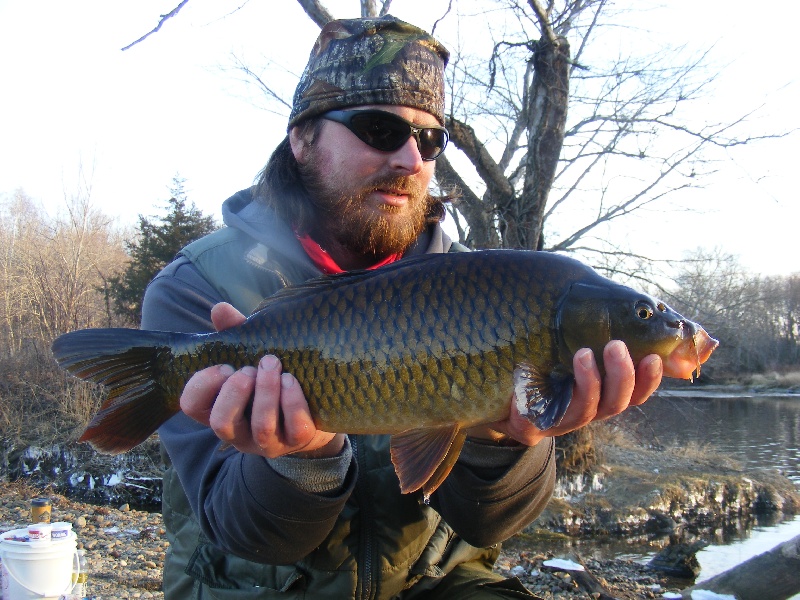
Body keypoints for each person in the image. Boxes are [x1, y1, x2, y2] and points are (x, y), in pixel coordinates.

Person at [141, 15, 663, 599]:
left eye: (430, 139)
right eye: (378, 129)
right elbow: (239, 529)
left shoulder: (484, 288)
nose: (411, 160)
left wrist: (506, 442)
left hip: (434, 584)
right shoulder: (198, 288)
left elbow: (492, 526)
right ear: (302, 137)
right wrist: (304, 459)